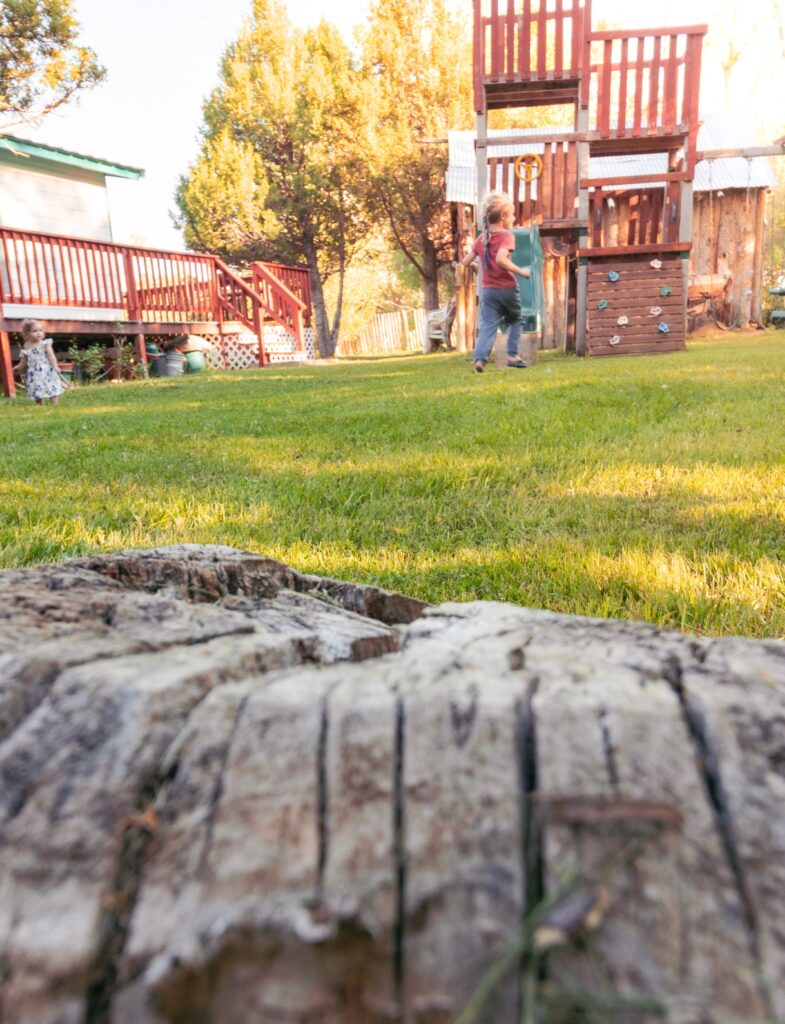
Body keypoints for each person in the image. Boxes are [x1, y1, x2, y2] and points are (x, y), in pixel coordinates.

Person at [458, 192, 531, 373]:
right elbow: (500, 259)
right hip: (507, 289)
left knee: (488, 326)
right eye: (512, 214)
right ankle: (512, 356)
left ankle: (480, 360)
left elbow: (464, 263)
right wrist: (522, 271)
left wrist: (477, 264)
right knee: (515, 320)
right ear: (503, 217)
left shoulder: (481, 239)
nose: (514, 217)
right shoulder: (507, 236)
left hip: (489, 291)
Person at [15, 319, 69, 404]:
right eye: (35, 331)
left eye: (40, 330)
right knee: (36, 388)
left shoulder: (45, 344)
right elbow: (24, 359)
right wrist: (19, 367)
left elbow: (51, 356)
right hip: (34, 372)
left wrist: (55, 366)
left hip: (46, 370)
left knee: (51, 386)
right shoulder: (26, 345)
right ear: (27, 333)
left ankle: (55, 404)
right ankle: (39, 405)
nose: (39, 333)